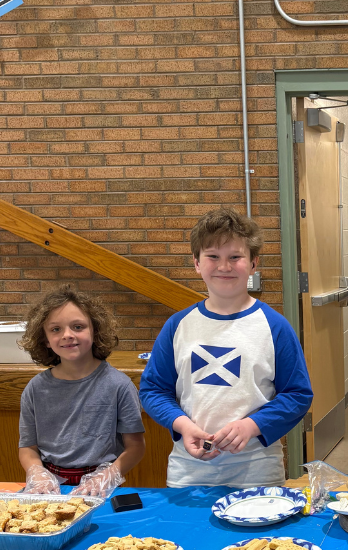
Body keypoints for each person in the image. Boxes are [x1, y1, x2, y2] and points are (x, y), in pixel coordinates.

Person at [139, 208, 313, 487]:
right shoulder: (178, 325)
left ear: (254, 264)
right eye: (213, 257)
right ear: (196, 263)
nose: (224, 266)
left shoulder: (274, 326)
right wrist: (182, 425)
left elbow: (297, 395)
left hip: (256, 468)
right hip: (189, 469)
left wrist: (251, 426)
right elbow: (153, 390)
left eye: (235, 257)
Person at [18, 285, 145, 493]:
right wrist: (37, 474)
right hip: (48, 487)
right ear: (45, 340)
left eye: (78, 327)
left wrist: (106, 477)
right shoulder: (35, 388)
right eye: (56, 329)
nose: (67, 335)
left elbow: (136, 447)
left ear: (95, 331)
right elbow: (28, 447)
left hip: (102, 486)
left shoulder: (118, 385)